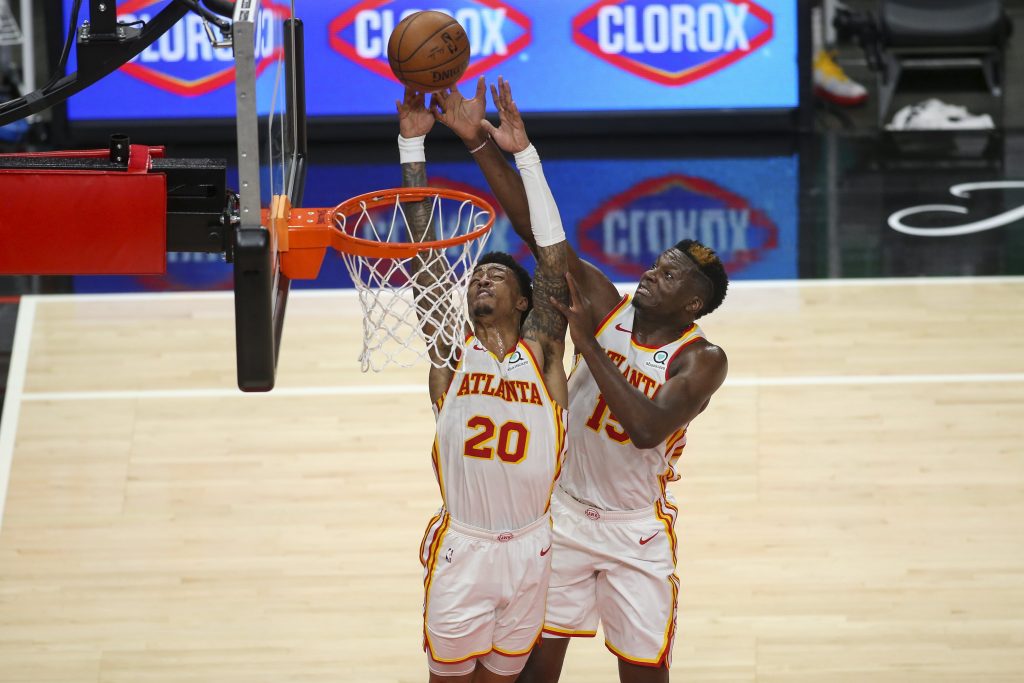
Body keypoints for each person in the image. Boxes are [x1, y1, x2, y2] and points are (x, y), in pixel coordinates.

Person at [431, 77, 730, 683]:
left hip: (634, 531)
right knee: (537, 668)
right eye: (658, 265)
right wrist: (493, 147)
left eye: (671, 278)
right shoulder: (605, 301)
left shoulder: (701, 359)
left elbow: (645, 428)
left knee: (644, 672)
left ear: (693, 305)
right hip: (561, 517)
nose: (652, 275)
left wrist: (587, 344)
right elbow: (539, 237)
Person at [395, 84, 570, 682]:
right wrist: (411, 143)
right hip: (464, 549)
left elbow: (552, 256)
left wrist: (526, 157)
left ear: (524, 302)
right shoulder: (452, 353)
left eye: (496, 277)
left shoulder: (544, 352)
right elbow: (424, 258)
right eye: (476, 278)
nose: (481, 283)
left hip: (531, 548)